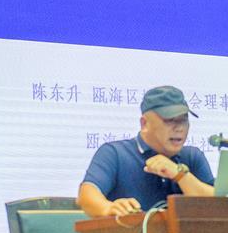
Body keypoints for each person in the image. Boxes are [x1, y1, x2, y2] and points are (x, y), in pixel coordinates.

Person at [78, 85, 215, 217]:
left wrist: (181, 175)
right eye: (170, 121)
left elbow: (218, 204)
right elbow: (87, 195)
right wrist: (108, 208)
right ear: (144, 124)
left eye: (183, 120)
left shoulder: (192, 156)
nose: (179, 128)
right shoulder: (115, 153)